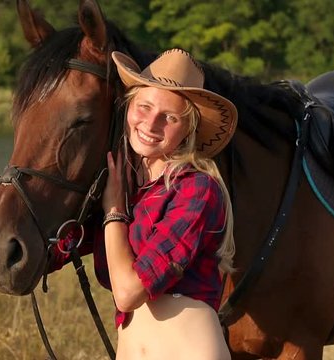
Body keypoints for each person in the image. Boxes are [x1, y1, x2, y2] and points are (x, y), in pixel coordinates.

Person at [96, 48, 238, 359]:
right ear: (129, 106)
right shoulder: (128, 186)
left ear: (188, 128)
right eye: (144, 107)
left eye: (169, 117)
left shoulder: (198, 189)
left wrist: (113, 212)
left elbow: (128, 292)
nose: (150, 123)